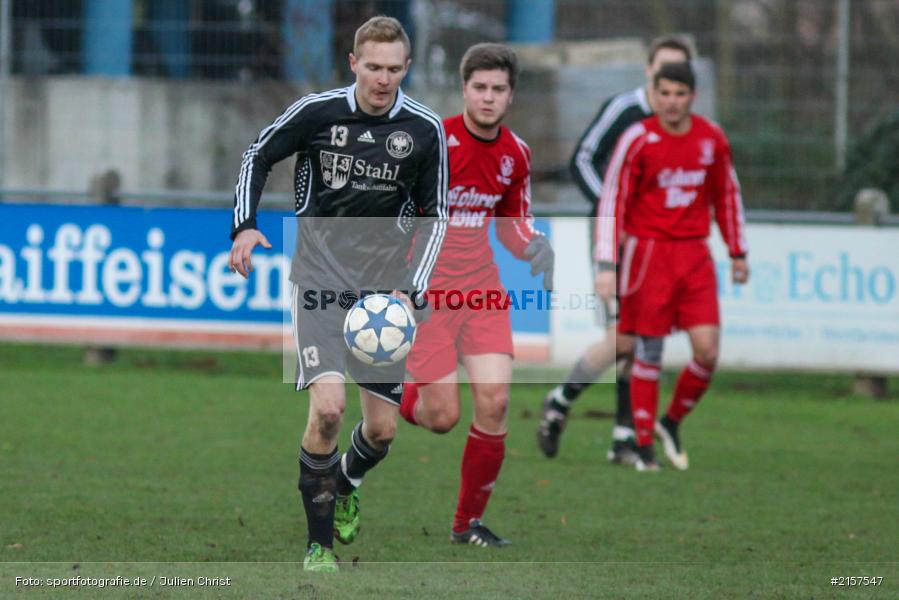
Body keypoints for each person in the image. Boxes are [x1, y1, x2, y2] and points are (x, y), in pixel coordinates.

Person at [228, 16, 448, 571]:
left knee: (381, 430)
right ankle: (318, 546)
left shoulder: (424, 131)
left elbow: (434, 217)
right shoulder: (317, 113)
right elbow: (258, 154)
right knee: (328, 411)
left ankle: (347, 480)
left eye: (394, 69)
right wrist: (244, 226)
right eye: (373, 67)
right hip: (319, 285)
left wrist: (408, 290)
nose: (383, 78)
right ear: (354, 63)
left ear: (407, 68)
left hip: (381, 300)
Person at [394, 43, 553, 547]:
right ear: (464, 89)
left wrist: (533, 247)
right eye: (479, 88)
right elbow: (398, 213)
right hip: (430, 293)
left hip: (482, 289)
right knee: (442, 418)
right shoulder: (433, 141)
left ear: (510, 95)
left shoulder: (517, 155)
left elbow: (511, 225)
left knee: (497, 400)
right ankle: (396, 393)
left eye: (498, 89)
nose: (488, 98)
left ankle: (467, 525)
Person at [538, 36, 692, 464]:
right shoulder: (625, 110)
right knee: (625, 336)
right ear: (649, 71)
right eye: (664, 71)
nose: (671, 83)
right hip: (615, 237)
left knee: (642, 337)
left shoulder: (680, 125)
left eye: (680, 74)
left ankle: (622, 436)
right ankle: (563, 401)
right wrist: (612, 211)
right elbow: (582, 159)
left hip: (657, 244)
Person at [594, 61, 749, 471]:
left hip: (695, 255)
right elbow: (613, 198)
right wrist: (606, 262)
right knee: (648, 351)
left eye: (680, 94)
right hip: (648, 254)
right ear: (654, 92)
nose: (672, 102)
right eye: (664, 93)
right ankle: (643, 445)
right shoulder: (638, 138)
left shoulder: (711, 137)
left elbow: (726, 194)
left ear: (691, 96)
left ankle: (670, 421)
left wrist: (738, 251)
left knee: (708, 351)